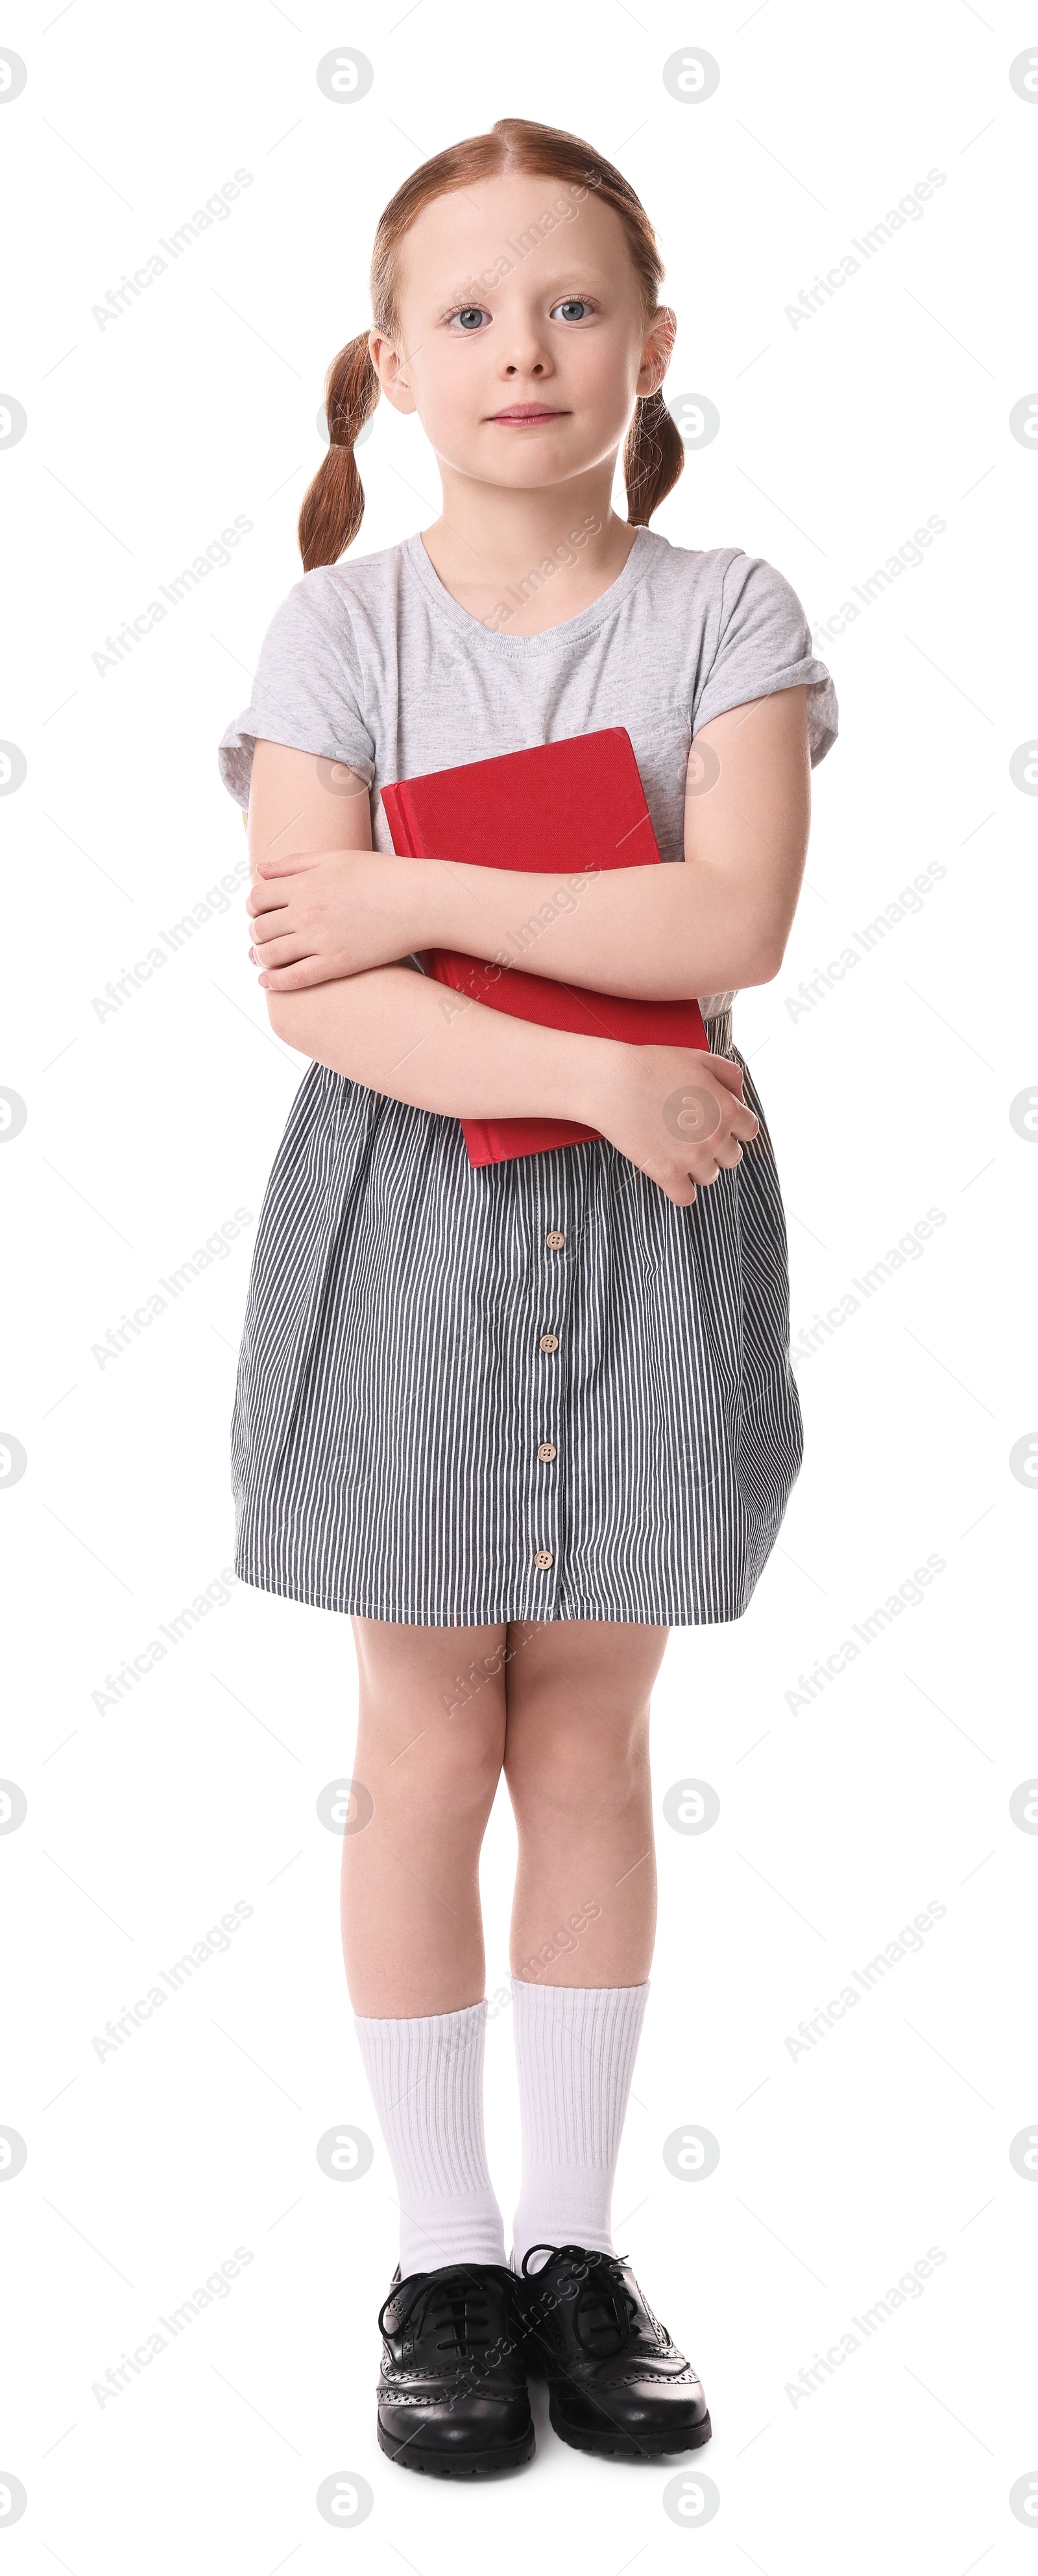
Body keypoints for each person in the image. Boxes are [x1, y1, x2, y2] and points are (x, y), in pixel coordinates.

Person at [217, 114, 838, 2479]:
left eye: (572, 305)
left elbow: (732, 925)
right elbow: (314, 983)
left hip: (658, 1250)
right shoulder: (339, 628)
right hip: (416, 1240)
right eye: (466, 313)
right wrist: (584, 1057)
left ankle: (579, 2247)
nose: (522, 349)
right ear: (389, 364)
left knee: (589, 1733)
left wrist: (417, 887)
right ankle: (445, 2260)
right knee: (425, 1746)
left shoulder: (730, 614)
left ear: (652, 346)